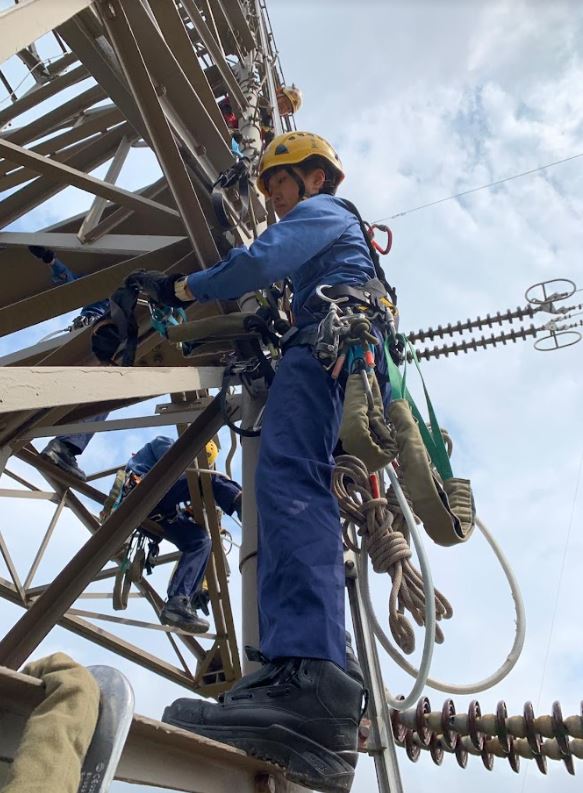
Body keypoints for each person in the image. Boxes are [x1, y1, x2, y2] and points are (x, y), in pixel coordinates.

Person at [122, 132, 392, 793]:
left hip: (327, 340)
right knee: (291, 488)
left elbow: (261, 259)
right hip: (327, 337)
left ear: (313, 178)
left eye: (277, 183)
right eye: (267, 185)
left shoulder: (325, 213)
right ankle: (302, 673)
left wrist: (183, 288)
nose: (269, 197)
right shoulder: (326, 240)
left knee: (288, 485)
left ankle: (309, 682)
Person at [111, 435, 242, 634]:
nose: (200, 465)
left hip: (158, 512)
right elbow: (177, 467)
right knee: (210, 480)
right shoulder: (164, 443)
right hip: (142, 492)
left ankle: (178, 602)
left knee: (200, 542)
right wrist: (205, 488)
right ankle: (244, 504)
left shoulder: (184, 477)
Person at [28, 246, 111, 479]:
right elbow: (72, 282)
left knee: (95, 394)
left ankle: (61, 444)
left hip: (83, 334)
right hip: (101, 336)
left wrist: (51, 261)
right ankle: (64, 448)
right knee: (105, 396)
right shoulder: (128, 297)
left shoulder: (102, 289)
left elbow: (71, 282)